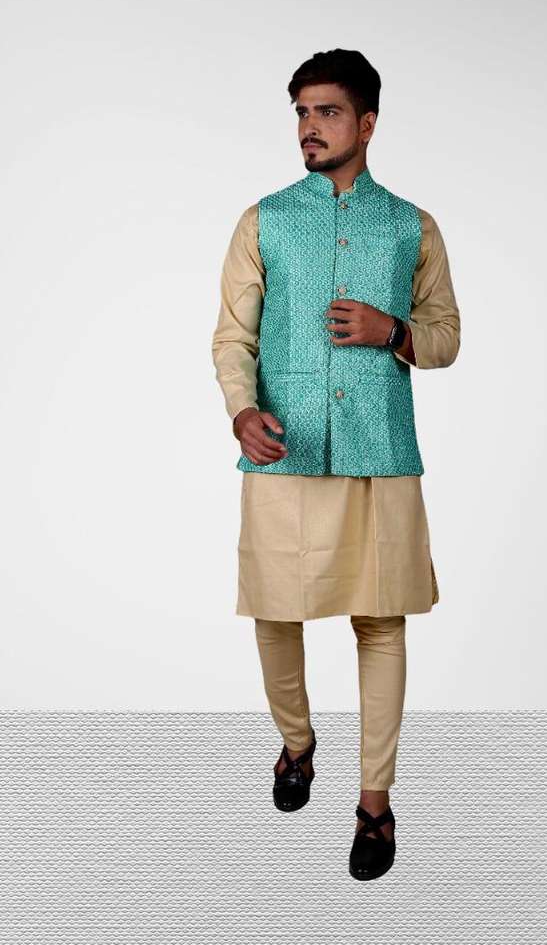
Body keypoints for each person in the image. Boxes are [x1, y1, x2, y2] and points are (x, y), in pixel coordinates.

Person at [211, 48, 461, 881]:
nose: (308, 128)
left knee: (380, 623)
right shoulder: (264, 221)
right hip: (283, 451)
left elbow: (447, 336)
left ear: (367, 123)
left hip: (378, 453)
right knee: (274, 611)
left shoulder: (413, 227)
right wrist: (241, 409)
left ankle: (375, 805)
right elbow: (232, 338)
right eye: (301, 113)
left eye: (326, 112)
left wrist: (396, 332)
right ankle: (296, 743)